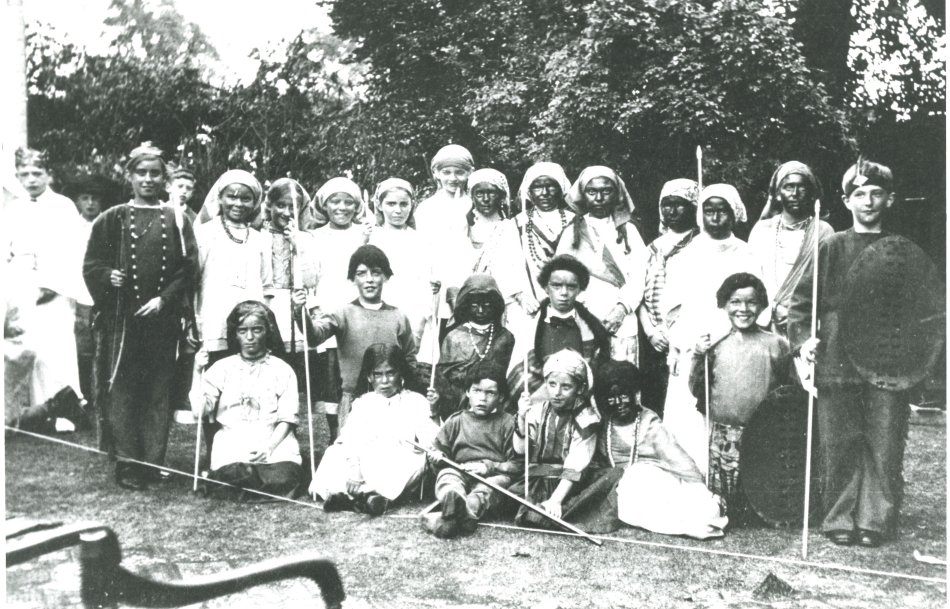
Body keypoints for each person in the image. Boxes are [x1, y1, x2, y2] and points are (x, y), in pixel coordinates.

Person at [788, 159, 920, 548]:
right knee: (839, 441)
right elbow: (802, 303)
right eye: (860, 194)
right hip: (837, 358)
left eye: (877, 193)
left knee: (883, 440)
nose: (868, 201)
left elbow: (921, 310)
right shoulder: (831, 246)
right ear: (847, 201)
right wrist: (803, 340)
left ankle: (874, 519)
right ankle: (838, 517)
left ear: (890, 199)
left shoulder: (900, 250)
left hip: (886, 359)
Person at [83, 143, 198, 490]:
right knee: (123, 389)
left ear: (164, 179)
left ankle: (152, 461)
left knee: (158, 390)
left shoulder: (176, 219)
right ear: (130, 177)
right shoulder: (112, 218)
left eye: (155, 173)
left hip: (161, 322)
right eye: (141, 173)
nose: (148, 179)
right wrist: (108, 276)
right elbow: (91, 264)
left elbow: (188, 268)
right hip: (122, 321)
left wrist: (164, 300)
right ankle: (128, 462)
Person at [564, 360, 725, 538]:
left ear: (635, 394)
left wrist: (702, 490)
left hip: (653, 484)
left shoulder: (649, 423)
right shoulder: (604, 422)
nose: (619, 403)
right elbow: (588, 457)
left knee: (642, 476)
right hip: (619, 491)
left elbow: (678, 459)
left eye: (624, 395)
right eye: (611, 398)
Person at [661, 184, 758, 472]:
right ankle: (690, 477)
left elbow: (757, 302)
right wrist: (681, 344)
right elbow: (671, 309)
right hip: (694, 343)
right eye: (709, 210)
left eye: (722, 210)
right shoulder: (685, 255)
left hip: (735, 342)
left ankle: (726, 478)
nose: (715, 217)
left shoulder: (747, 254)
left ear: (734, 213)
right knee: (689, 417)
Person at [689, 273, 791, 522]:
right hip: (725, 434)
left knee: (760, 492)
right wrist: (698, 356)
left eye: (751, 302)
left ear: (762, 306)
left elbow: (789, 390)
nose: (743, 309)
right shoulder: (715, 345)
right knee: (726, 503)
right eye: (735, 302)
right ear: (724, 305)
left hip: (763, 432)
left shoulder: (777, 344)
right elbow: (696, 387)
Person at [293, 244, 419, 429]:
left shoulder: (398, 316)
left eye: (376, 273)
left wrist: (406, 390)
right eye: (361, 273)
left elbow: (409, 359)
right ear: (353, 279)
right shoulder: (343, 313)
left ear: (385, 277)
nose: (369, 280)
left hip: (391, 397)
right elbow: (314, 337)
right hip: (353, 398)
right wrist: (300, 311)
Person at [7, 148, 89, 429]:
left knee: (55, 348)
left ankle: (66, 405)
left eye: (36, 173)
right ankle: (37, 411)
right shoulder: (14, 208)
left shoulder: (63, 207)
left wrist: (51, 284)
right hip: (20, 285)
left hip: (54, 288)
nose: (30, 179)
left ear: (48, 175)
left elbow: (73, 250)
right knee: (28, 347)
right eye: (24, 174)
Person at [309, 343, 440, 515]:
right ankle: (363, 498)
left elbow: (432, 441)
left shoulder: (416, 401)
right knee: (334, 453)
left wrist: (434, 412)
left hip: (398, 459)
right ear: (369, 377)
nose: (384, 381)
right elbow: (350, 439)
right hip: (363, 460)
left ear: (401, 373)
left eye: (391, 373)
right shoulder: (363, 403)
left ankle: (355, 498)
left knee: (414, 462)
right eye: (378, 374)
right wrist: (355, 470)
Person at [197, 301, 302, 498]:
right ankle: (251, 481)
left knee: (285, 477)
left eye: (257, 330)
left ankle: (243, 483)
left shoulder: (282, 369)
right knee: (232, 473)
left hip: (274, 442)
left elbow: (288, 418)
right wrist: (197, 371)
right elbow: (199, 411)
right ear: (235, 334)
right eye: (243, 331)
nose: (250, 337)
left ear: (268, 331)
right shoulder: (222, 368)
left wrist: (268, 447)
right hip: (233, 441)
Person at [558, 165, 646, 365]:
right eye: (592, 192)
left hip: (622, 320)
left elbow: (640, 276)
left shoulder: (629, 231)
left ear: (617, 194)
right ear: (583, 194)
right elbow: (562, 276)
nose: (599, 198)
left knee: (622, 377)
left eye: (606, 191)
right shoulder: (572, 232)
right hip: (582, 319)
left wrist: (621, 309)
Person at [422, 361, 519, 538]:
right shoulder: (456, 420)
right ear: (467, 392)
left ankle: (453, 516)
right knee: (448, 476)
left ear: (501, 397)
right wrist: (437, 457)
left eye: (490, 393)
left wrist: (488, 467)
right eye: (477, 391)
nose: (482, 398)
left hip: (492, 476)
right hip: (461, 471)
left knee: (491, 487)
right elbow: (439, 453)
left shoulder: (508, 423)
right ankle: (454, 501)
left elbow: (516, 465)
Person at [509, 349, 600, 528]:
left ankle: (548, 510)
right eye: (552, 384)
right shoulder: (538, 410)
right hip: (537, 480)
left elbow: (576, 465)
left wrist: (556, 500)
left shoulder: (586, 419)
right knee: (504, 496)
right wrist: (521, 418)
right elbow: (521, 451)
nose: (557, 392)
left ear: (580, 388)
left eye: (566, 387)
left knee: (542, 513)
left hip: (569, 484)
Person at [310, 177, 371, 438]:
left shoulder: (365, 233)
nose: (342, 207)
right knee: (333, 378)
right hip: (329, 313)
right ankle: (336, 435)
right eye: (335, 201)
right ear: (324, 205)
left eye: (349, 202)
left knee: (359, 375)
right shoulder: (314, 237)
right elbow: (309, 278)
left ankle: (358, 433)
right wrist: (314, 308)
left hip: (359, 313)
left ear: (357, 206)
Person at [506, 254, 611, 402]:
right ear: (546, 288)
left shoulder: (590, 328)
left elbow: (594, 370)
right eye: (556, 286)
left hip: (579, 401)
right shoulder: (529, 325)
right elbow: (521, 374)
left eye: (571, 287)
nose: (564, 293)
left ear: (580, 289)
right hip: (537, 401)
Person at [194, 170, 272, 366]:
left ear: (255, 202)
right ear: (220, 198)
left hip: (250, 331)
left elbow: (267, 287)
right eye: (231, 197)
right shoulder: (204, 233)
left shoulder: (261, 239)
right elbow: (192, 282)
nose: (238, 204)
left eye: (246, 199)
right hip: (213, 324)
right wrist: (194, 322)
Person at [637, 179, 700, 416]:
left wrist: (674, 332)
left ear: (693, 207)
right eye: (666, 204)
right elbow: (638, 294)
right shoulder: (652, 248)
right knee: (656, 399)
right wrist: (651, 332)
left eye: (679, 204)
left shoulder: (700, 244)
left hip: (687, 336)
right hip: (655, 339)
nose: (672, 211)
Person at [748, 162, 833, 334]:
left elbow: (828, 283)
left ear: (811, 193)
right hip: (766, 321)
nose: (795, 193)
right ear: (778, 194)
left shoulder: (823, 231)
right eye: (788, 187)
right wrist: (773, 308)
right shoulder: (762, 230)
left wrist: (798, 312)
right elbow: (751, 277)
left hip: (807, 322)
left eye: (801, 187)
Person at [430, 274, 515, 420]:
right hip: (458, 412)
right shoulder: (454, 337)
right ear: (466, 305)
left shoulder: (505, 338)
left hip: (495, 411)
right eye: (475, 305)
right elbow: (443, 380)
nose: (480, 310)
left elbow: (507, 379)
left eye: (486, 305)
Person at [367, 178, 433, 331]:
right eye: (391, 204)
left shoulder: (421, 240)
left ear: (412, 205)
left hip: (414, 312)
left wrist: (421, 320)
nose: (398, 210)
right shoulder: (372, 239)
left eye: (404, 204)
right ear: (379, 205)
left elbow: (426, 283)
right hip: (379, 312)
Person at [512, 162, 575, 311]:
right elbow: (508, 264)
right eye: (537, 187)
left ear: (561, 189)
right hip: (529, 300)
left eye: (551, 186)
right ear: (529, 191)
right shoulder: (517, 223)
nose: (544, 193)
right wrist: (521, 295)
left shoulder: (575, 221)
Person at [414, 144, 474, 237]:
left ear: (470, 173)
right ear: (436, 173)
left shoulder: (475, 205)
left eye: (459, 172)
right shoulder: (427, 208)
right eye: (446, 172)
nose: (453, 178)